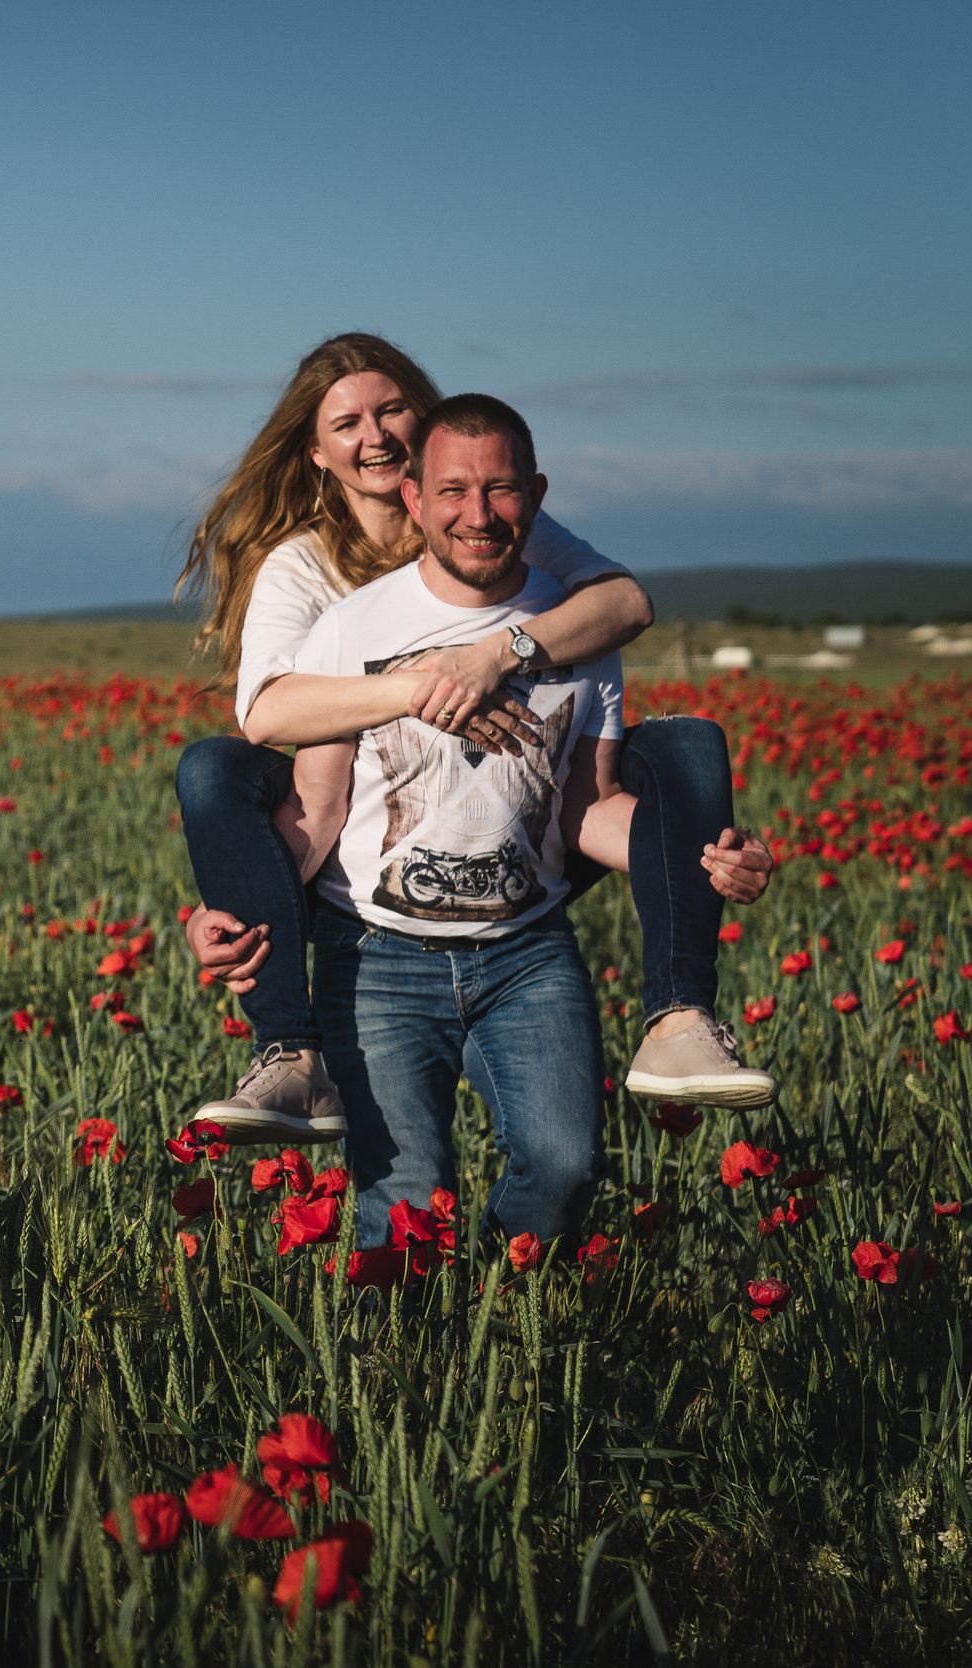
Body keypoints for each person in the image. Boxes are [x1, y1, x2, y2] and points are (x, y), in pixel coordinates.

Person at [172, 333, 773, 1140]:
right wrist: (427, 689)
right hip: (366, 827)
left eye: (391, 410)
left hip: (518, 809)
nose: (375, 436)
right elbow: (269, 715)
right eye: (347, 424)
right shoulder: (307, 571)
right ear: (317, 452)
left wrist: (497, 657)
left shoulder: (487, 521)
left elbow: (625, 605)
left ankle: (681, 1019)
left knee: (686, 747)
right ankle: (287, 1052)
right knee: (214, 767)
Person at [285, 395, 772, 1244]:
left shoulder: (573, 630)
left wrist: (700, 860)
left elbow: (587, 807)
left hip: (526, 953)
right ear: (414, 498)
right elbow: (317, 808)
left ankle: (498, 1302)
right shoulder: (350, 628)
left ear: (536, 495)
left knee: (566, 1165)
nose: (478, 515)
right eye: (453, 491)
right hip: (376, 954)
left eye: (501, 489)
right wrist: (242, 907)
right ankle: (418, 1329)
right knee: (400, 1202)